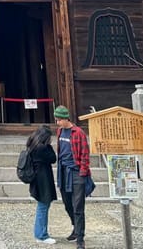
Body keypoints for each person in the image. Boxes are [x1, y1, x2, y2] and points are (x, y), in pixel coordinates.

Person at [54, 105, 90, 249]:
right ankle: (75, 227)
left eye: (58, 120)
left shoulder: (78, 132)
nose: (57, 123)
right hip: (63, 170)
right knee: (67, 202)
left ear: (65, 118)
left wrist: (83, 171)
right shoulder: (60, 131)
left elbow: (85, 154)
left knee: (78, 206)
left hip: (76, 171)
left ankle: (80, 238)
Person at [27, 125, 58, 244]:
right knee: (43, 207)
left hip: (37, 179)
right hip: (43, 180)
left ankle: (39, 232)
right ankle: (42, 235)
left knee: (42, 206)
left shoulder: (32, 146)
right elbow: (53, 158)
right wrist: (49, 147)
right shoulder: (43, 148)